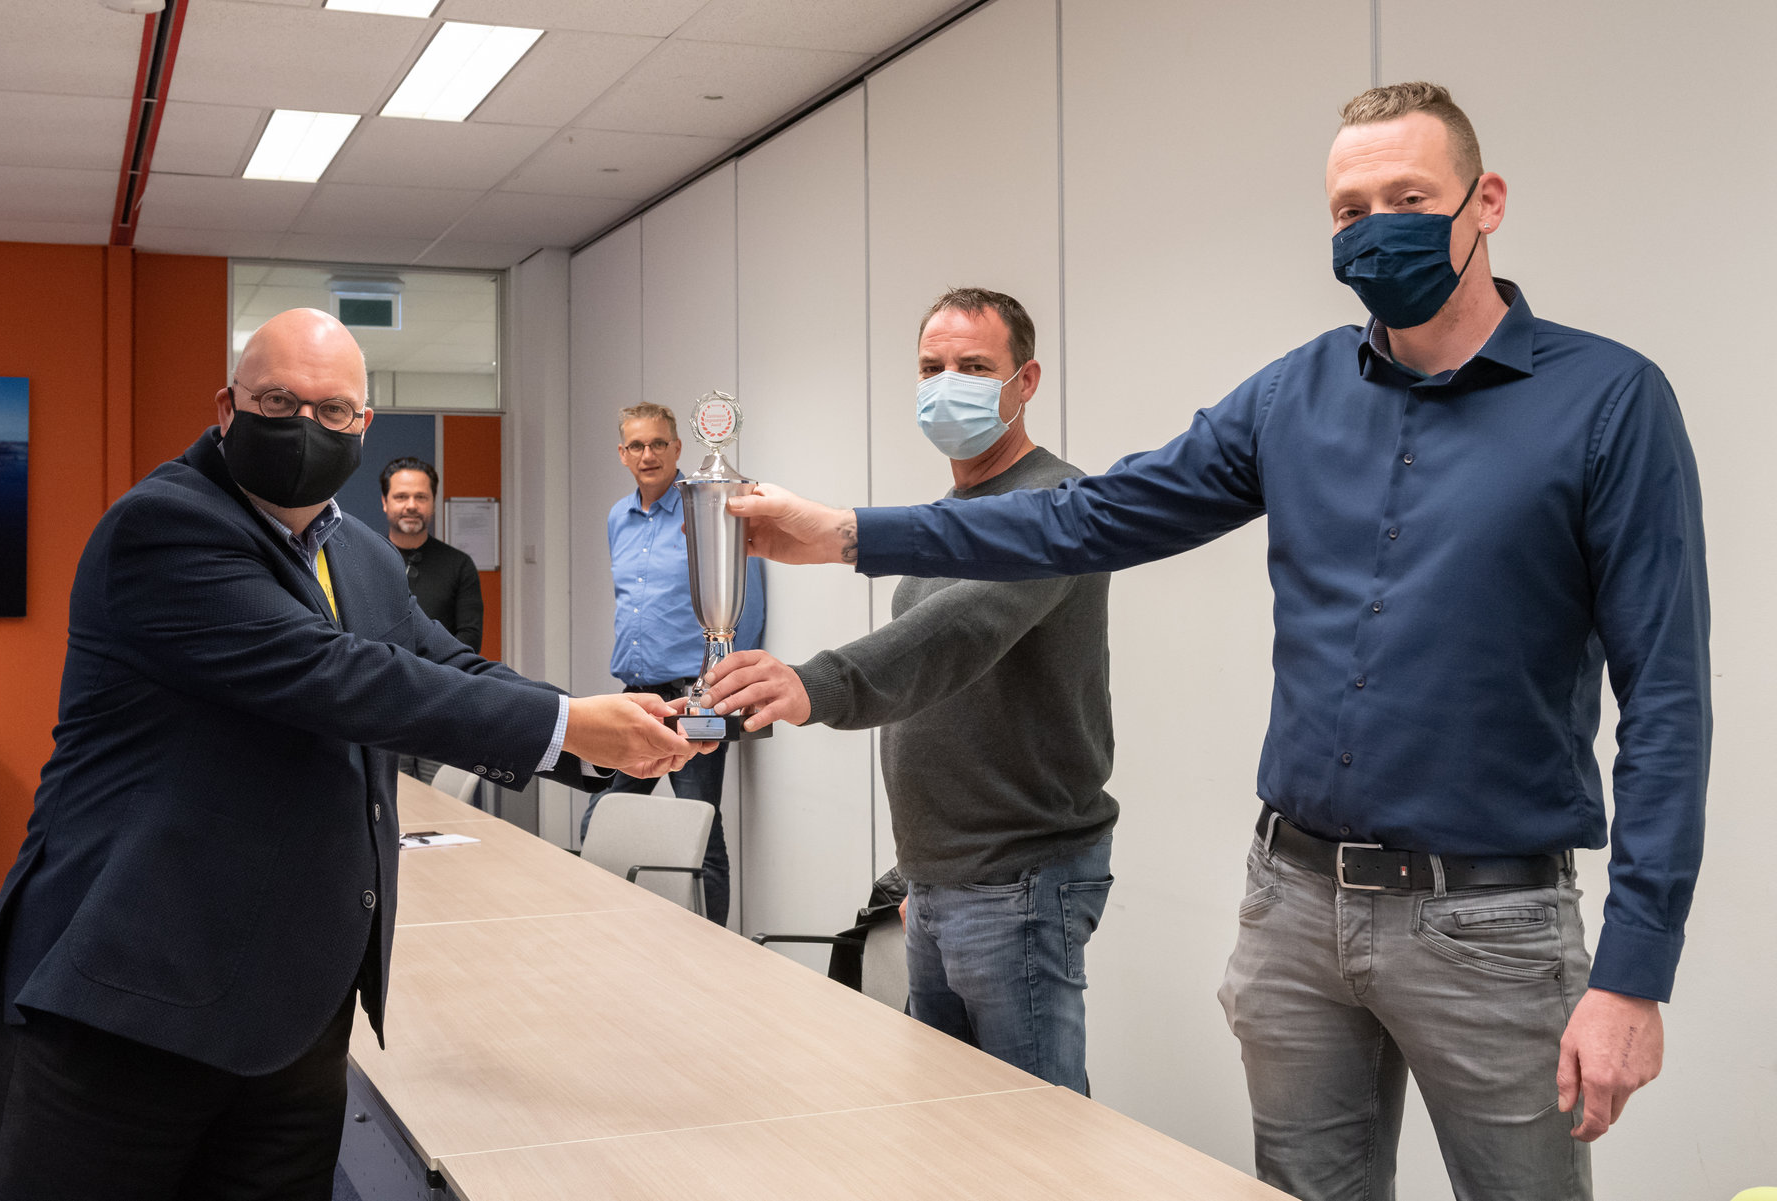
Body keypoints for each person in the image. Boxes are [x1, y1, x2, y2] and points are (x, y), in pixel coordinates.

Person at [725, 83, 1709, 1201]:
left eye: (1408, 198)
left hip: (1487, 922)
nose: (1375, 226)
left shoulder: (1609, 401)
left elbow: (1668, 702)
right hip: (1294, 907)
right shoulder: (1297, 393)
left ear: (1485, 202)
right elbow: (1087, 515)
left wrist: (1634, 971)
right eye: (1349, 209)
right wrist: (850, 534)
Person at [0, 308, 704, 1201]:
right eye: (278, 402)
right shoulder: (163, 527)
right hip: (127, 998)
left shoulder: (357, 550)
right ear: (227, 408)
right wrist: (567, 723)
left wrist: (600, 736)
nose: (304, 427)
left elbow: (446, 665)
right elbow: (338, 677)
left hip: (293, 1014)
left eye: (331, 411)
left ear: (363, 426)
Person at [702, 289, 1115, 1092]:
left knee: (1035, 1128)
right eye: (932, 367)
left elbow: (958, 634)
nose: (946, 384)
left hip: (1017, 880)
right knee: (949, 1118)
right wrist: (918, 873)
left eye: (974, 367)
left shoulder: (1055, 505)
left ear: (1026, 381)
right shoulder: (952, 514)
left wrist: (814, 683)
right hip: (937, 878)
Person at [581, 402, 766, 927]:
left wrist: (728, 688)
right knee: (602, 816)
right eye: (637, 445)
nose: (649, 455)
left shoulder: (704, 507)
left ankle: (714, 947)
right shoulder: (618, 518)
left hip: (694, 695)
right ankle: (607, 926)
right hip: (637, 695)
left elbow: (744, 605)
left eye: (659, 443)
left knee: (699, 826)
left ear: (678, 448)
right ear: (622, 454)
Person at [379, 455, 484, 785]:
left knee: (441, 803)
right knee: (386, 800)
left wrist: (430, 684)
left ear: (433, 503)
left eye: (420, 497)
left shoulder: (458, 565)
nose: (411, 505)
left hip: (442, 709)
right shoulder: (365, 559)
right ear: (385, 502)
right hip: (382, 709)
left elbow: (469, 638)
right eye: (401, 496)